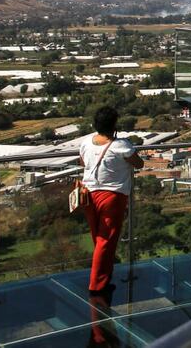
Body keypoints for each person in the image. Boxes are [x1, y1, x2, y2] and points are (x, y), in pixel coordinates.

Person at [79, 106, 143, 303]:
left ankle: (103, 276)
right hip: (111, 196)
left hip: (88, 194)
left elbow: (83, 163)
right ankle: (97, 285)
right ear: (114, 124)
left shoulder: (86, 142)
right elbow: (138, 164)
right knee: (106, 240)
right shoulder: (121, 145)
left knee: (99, 239)